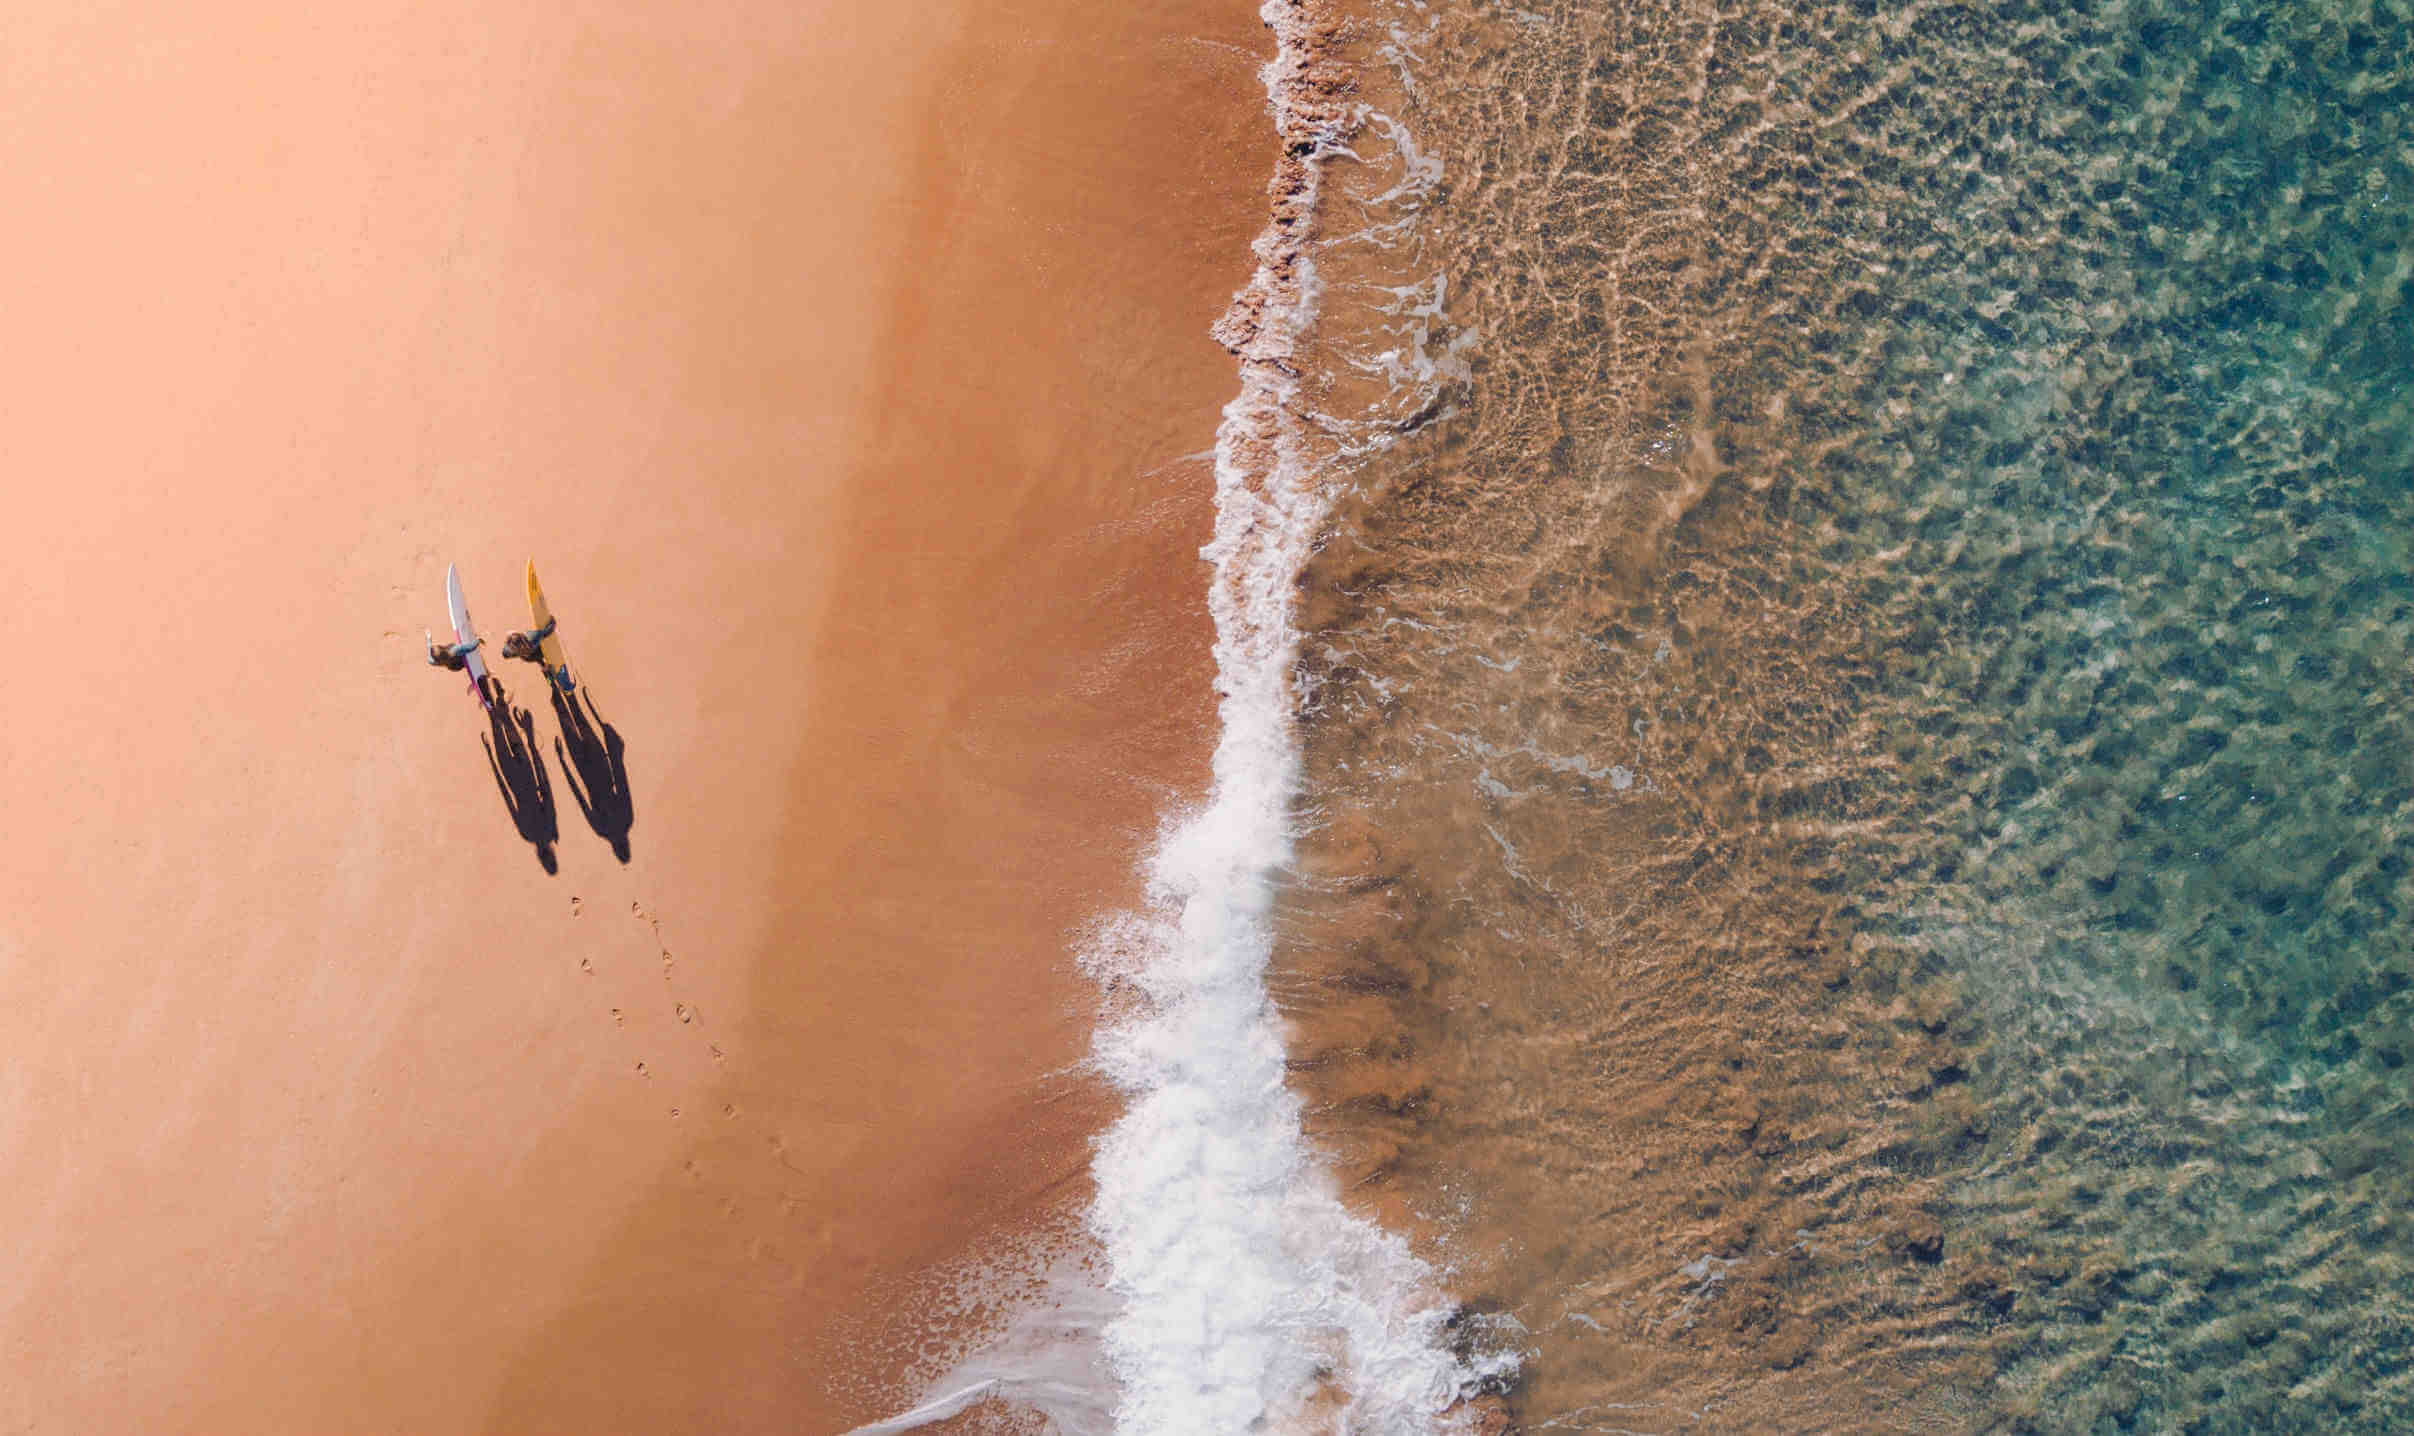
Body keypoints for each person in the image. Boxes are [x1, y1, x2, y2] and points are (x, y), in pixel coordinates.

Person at [501, 616, 574, 694]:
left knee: (542, 665)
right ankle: (565, 686)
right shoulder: (533, 637)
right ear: (521, 636)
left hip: (529, 658)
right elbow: (548, 631)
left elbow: (505, 654)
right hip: (539, 652)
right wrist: (553, 622)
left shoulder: (511, 649)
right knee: (553, 665)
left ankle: (550, 682)